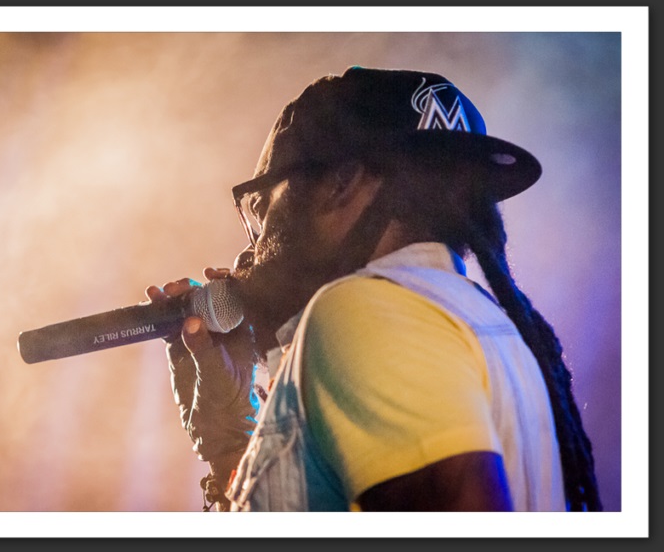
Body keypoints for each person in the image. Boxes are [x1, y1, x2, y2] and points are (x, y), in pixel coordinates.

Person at [144, 66, 602, 512]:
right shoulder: (488, 328)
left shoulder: (365, 313)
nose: (253, 246)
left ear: (341, 184)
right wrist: (231, 444)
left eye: (262, 208)